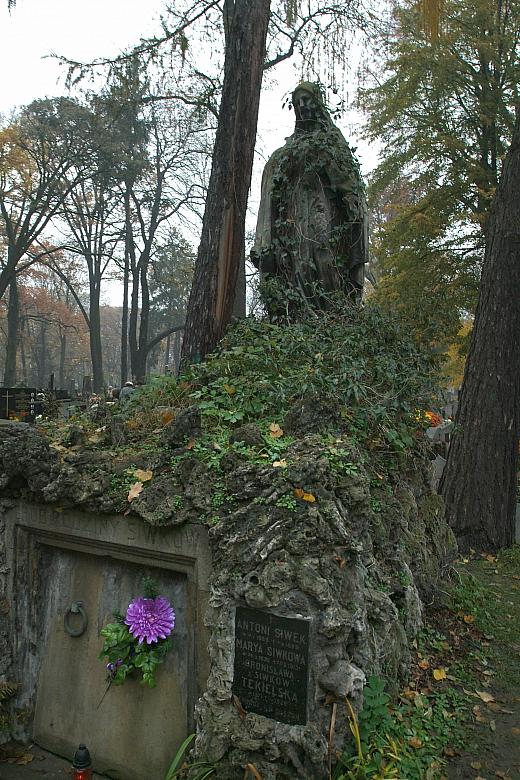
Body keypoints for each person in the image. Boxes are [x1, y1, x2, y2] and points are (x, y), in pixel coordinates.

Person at [251, 82, 368, 313]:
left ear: (318, 102)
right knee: (297, 265)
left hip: (323, 214)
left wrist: (352, 205)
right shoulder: (287, 151)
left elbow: (347, 182)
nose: (303, 105)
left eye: (307, 100)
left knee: (324, 259)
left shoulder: (331, 142)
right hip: (294, 220)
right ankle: (302, 316)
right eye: (298, 102)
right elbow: (276, 185)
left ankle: (329, 314)